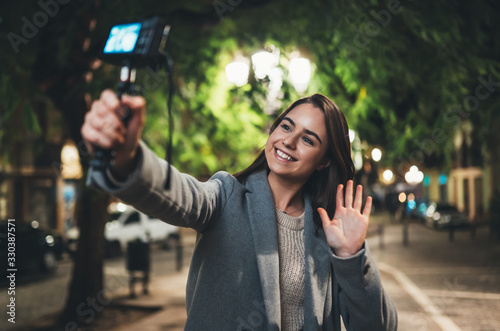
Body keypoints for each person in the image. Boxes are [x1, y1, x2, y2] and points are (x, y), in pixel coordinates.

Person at [82, 90, 398, 330]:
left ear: (325, 160)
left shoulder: (327, 230)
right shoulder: (227, 195)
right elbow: (179, 194)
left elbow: (377, 325)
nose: (288, 141)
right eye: (286, 126)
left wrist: (350, 256)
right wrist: (127, 158)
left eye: (308, 140)